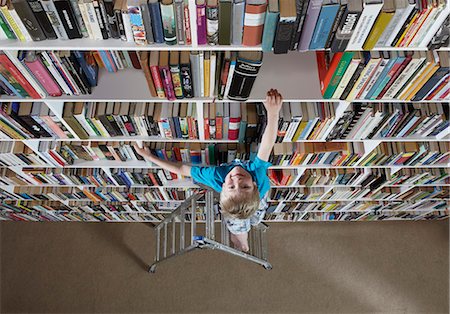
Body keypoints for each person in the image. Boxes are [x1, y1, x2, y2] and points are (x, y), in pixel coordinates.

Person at [134, 89, 283, 252]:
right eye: (244, 186)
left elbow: (182, 168)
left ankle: (240, 236)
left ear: (223, 189)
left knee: (246, 221)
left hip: (254, 202)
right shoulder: (258, 176)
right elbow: (267, 145)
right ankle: (243, 240)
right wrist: (273, 113)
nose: (237, 181)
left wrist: (150, 157)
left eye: (232, 187)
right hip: (258, 199)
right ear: (254, 184)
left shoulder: (216, 177)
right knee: (246, 222)